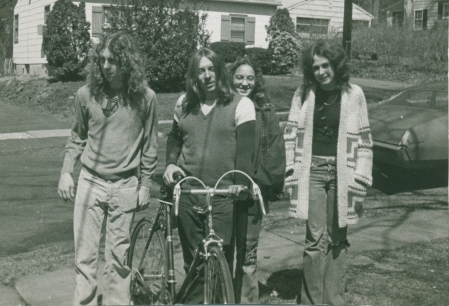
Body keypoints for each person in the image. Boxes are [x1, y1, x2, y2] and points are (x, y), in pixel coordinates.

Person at [57, 31, 158, 306]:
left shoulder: (145, 98)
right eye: (101, 59)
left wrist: (145, 185)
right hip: (90, 183)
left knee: (118, 262)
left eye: (112, 60)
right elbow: (77, 136)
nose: (106, 66)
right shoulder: (85, 94)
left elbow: (149, 145)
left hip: (125, 187)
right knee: (85, 259)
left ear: (127, 62)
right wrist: (67, 170)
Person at [163, 47, 256, 303]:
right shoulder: (183, 104)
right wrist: (170, 164)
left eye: (211, 69)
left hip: (223, 195)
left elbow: (246, 153)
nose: (207, 75)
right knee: (193, 262)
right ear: (194, 76)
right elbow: (174, 137)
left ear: (220, 71)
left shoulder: (241, 105)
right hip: (189, 193)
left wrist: (240, 185)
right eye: (200, 71)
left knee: (220, 261)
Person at [284, 41, 373, 305]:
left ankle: (334, 299)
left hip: (342, 173)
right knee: (314, 239)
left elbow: (365, 139)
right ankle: (312, 300)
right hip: (312, 171)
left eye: (326, 65)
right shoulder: (304, 93)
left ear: (336, 65)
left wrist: (360, 176)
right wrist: (291, 167)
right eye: (316, 67)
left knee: (338, 238)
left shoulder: (354, 94)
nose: (322, 71)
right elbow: (290, 132)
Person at [227, 56, 286, 303]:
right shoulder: (222, 107)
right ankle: (221, 295)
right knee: (222, 249)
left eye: (250, 78)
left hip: (252, 192)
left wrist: (255, 181)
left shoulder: (266, 111)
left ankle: (245, 299)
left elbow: (275, 151)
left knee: (247, 254)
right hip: (225, 190)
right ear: (230, 79)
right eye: (239, 77)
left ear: (257, 81)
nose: (244, 82)